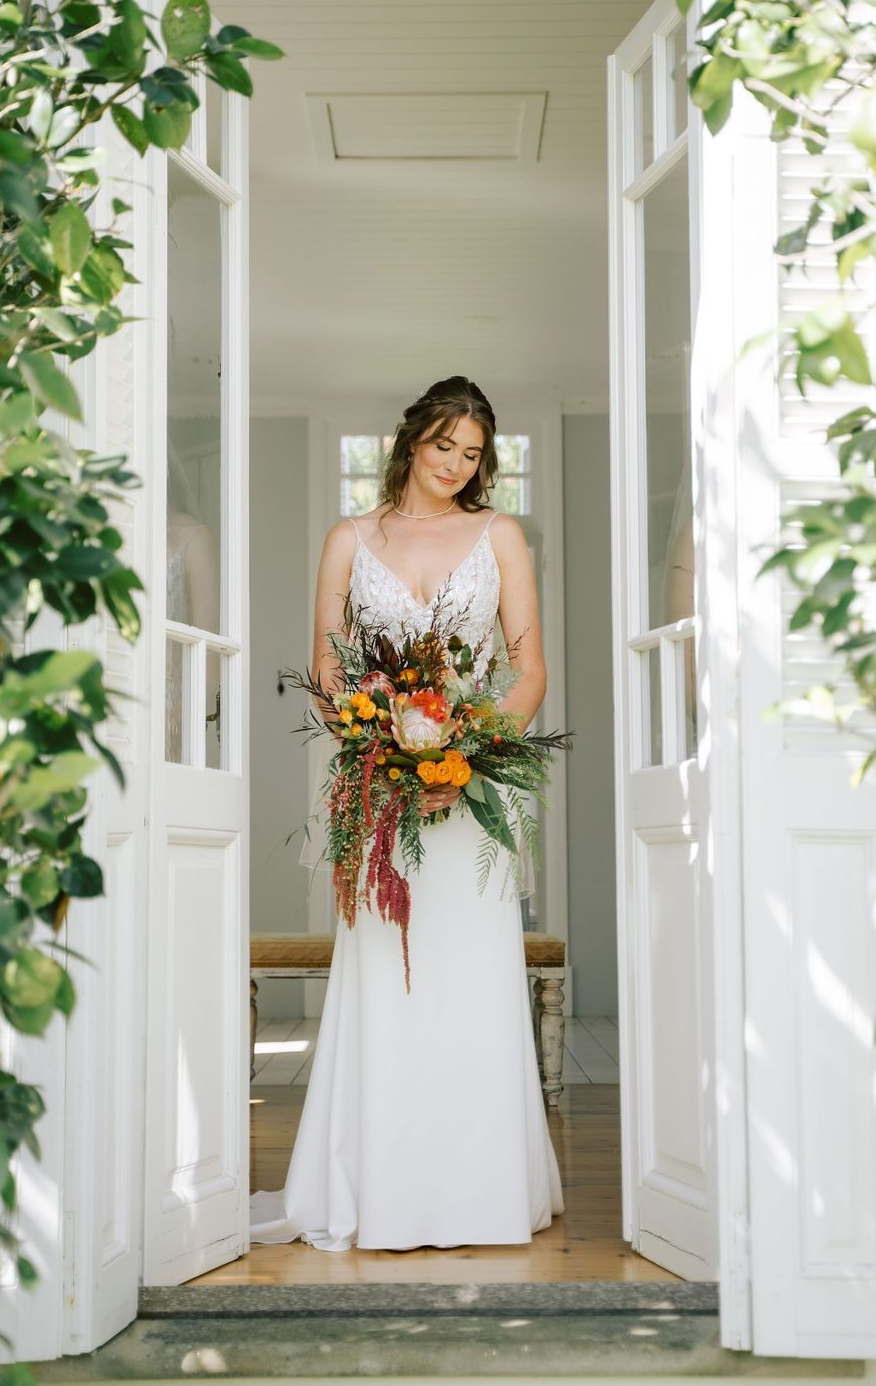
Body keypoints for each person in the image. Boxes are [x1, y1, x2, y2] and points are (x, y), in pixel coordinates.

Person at [249, 376, 564, 1251]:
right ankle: (379, 1186)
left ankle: (480, 1190)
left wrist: (468, 755)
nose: (458, 467)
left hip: (468, 795)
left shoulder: (499, 535)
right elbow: (328, 667)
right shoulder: (349, 539)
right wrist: (382, 744)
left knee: (467, 979)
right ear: (411, 440)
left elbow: (529, 667)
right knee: (390, 980)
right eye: (444, 448)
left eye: (472, 455)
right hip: (380, 791)